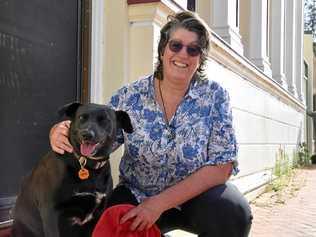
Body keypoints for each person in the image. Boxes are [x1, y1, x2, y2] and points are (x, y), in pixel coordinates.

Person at [50, 11, 252, 237]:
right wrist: (62, 133)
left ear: (200, 58)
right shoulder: (130, 96)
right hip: (137, 193)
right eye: (176, 45)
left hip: (195, 198)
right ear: (163, 48)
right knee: (112, 221)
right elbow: (100, 139)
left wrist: (159, 203)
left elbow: (222, 166)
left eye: (193, 49)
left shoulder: (215, 96)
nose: (183, 54)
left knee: (233, 212)